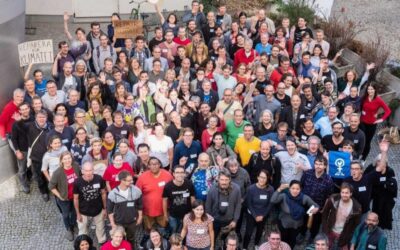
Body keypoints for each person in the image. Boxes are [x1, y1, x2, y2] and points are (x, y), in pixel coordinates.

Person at [271, 180, 319, 249]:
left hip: (296, 225)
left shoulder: (304, 198)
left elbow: (316, 205)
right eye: (293, 188)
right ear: (289, 188)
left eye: (297, 189)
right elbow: (273, 200)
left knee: (292, 241)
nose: (295, 191)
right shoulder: (284, 196)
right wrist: (279, 189)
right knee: (283, 240)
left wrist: (316, 209)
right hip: (284, 224)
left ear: (300, 190)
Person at [365, 140, 397, 230]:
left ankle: (381, 224)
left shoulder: (389, 170)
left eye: (382, 161)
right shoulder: (371, 168)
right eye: (378, 161)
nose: (380, 163)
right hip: (373, 191)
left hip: (384, 194)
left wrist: (387, 185)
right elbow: (366, 177)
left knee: (384, 209)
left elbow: (393, 183)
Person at [300, 156, 334, 241]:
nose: (318, 166)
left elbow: (328, 196)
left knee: (315, 224)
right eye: (316, 164)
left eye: (321, 164)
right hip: (305, 204)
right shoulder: (307, 173)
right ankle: (302, 234)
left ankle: (312, 238)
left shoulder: (328, 180)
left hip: (318, 206)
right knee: (303, 221)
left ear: (325, 166)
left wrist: (322, 209)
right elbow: (301, 187)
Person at [136, 157, 173, 233]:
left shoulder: (168, 175)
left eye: (156, 164)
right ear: (148, 166)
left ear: (159, 164)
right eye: (151, 164)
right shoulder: (142, 177)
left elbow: (173, 190)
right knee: (149, 231)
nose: (154, 166)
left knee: (163, 229)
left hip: (163, 211)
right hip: (147, 211)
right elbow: (137, 193)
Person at [49, 151, 80, 241]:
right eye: (65, 159)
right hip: (64, 198)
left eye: (69, 158)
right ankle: (68, 229)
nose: (67, 160)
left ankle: (73, 225)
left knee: (74, 212)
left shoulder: (76, 166)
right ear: (61, 160)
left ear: (71, 158)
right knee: (66, 215)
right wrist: (59, 196)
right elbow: (51, 186)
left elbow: (80, 177)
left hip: (75, 197)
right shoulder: (58, 172)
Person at [73, 162, 107, 245]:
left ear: (93, 170)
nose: (88, 173)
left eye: (90, 170)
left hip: (98, 209)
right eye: (86, 171)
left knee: (100, 227)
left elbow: (103, 193)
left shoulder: (99, 179)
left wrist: (104, 208)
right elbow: (76, 198)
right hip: (83, 210)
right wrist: (77, 213)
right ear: (82, 171)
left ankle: (102, 241)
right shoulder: (77, 182)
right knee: (82, 228)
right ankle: (83, 243)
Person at [107, 170, 143, 247]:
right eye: (129, 180)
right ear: (122, 181)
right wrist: (113, 224)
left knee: (131, 238)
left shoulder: (137, 191)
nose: (132, 182)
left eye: (131, 180)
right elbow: (109, 211)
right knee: (120, 239)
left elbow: (140, 205)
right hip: (119, 222)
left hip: (132, 222)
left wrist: (140, 217)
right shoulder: (113, 194)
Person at [321, 182, 362, 249]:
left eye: (346, 193)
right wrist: (325, 228)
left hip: (344, 234)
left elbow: (356, 224)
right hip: (330, 230)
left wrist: (349, 235)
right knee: (326, 247)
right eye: (342, 192)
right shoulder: (333, 199)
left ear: (351, 194)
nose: (344, 195)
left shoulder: (357, 208)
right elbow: (325, 214)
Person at [206, 169, 242, 243]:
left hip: (229, 221)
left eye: (226, 180)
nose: (224, 182)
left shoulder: (236, 189)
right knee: (212, 240)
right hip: (215, 220)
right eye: (222, 180)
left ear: (230, 180)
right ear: (218, 179)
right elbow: (208, 206)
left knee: (228, 242)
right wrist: (209, 221)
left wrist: (235, 220)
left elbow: (238, 205)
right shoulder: (212, 189)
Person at [243, 169, 274, 249]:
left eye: (264, 178)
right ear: (257, 177)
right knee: (248, 233)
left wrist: (263, 216)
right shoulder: (251, 188)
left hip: (263, 215)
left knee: (259, 232)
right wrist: (255, 216)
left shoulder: (270, 189)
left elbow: (270, 204)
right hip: (252, 214)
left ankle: (256, 244)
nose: (262, 179)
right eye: (261, 177)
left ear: (267, 179)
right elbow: (249, 204)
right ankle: (244, 247)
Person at [360, 83, 391, 160]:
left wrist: (381, 119)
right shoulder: (364, 98)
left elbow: (388, 111)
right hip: (362, 122)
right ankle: (359, 153)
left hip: (372, 124)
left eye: (371, 89)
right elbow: (360, 107)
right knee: (361, 138)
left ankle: (364, 158)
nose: (369, 91)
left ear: (375, 90)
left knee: (367, 141)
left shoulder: (378, 100)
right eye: (368, 89)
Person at [162, 165, 195, 234]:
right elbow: (164, 200)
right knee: (174, 230)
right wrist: (165, 214)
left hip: (187, 214)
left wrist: (193, 212)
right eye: (177, 172)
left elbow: (192, 198)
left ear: (184, 174)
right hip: (173, 215)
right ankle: (174, 243)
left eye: (182, 172)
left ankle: (183, 243)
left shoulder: (189, 184)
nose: (180, 174)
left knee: (186, 230)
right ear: (173, 174)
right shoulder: (168, 186)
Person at [10, 102, 32, 193]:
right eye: (22, 109)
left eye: (26, 108)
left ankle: (30, 177)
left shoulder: (34, 120)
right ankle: (24, 184)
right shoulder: (15, 124)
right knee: (22, 169)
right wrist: (17, 151)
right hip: (23, 150)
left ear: (29, 109)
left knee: (31, 167)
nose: (25, 111)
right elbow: (14, 139)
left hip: (32, 149)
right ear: (19, 111)